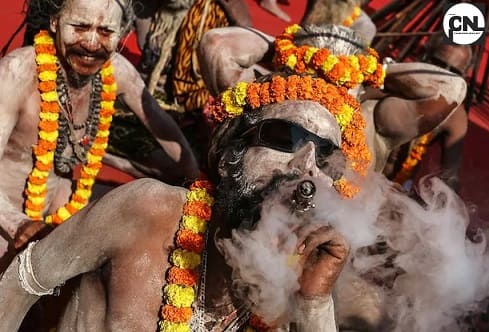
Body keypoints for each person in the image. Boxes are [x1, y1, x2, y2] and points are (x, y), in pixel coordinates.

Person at [0, 25, 469, 332]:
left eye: (326, 159)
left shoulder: (289, 279)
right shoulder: (145, 208)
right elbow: (22, 282)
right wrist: (291, 52)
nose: (304, 168)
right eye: (284, 137)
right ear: (230, 151)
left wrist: (312, 304)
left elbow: (450, 88)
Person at [0, 0, 200, 271]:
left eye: (106, 31)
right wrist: (19, 225)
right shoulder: (18, 73)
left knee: (148, 215)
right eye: (80, 27)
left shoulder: (116, 71)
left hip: (63, 201)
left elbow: (162, 125)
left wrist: (195, 180)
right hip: (6, 214)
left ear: (122, 33)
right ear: (55, 22)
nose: (92, 43)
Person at [383, 34, 472, 192]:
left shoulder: (455, 114)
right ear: (424, 57)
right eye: (437, 64)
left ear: (462, 78)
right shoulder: (394, 78)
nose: (442, 75)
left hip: (393, 189)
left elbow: (450, 176)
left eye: (452, 72)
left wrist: (444, 207)